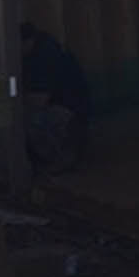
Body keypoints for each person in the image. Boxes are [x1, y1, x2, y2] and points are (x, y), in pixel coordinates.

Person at [20, 21, 92, 174]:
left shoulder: (45, 56)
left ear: (27, 42)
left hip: (69, 112)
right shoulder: (44, 49)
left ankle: (63, 156)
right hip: (70, 109)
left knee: (31, 119)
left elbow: (40, 99)